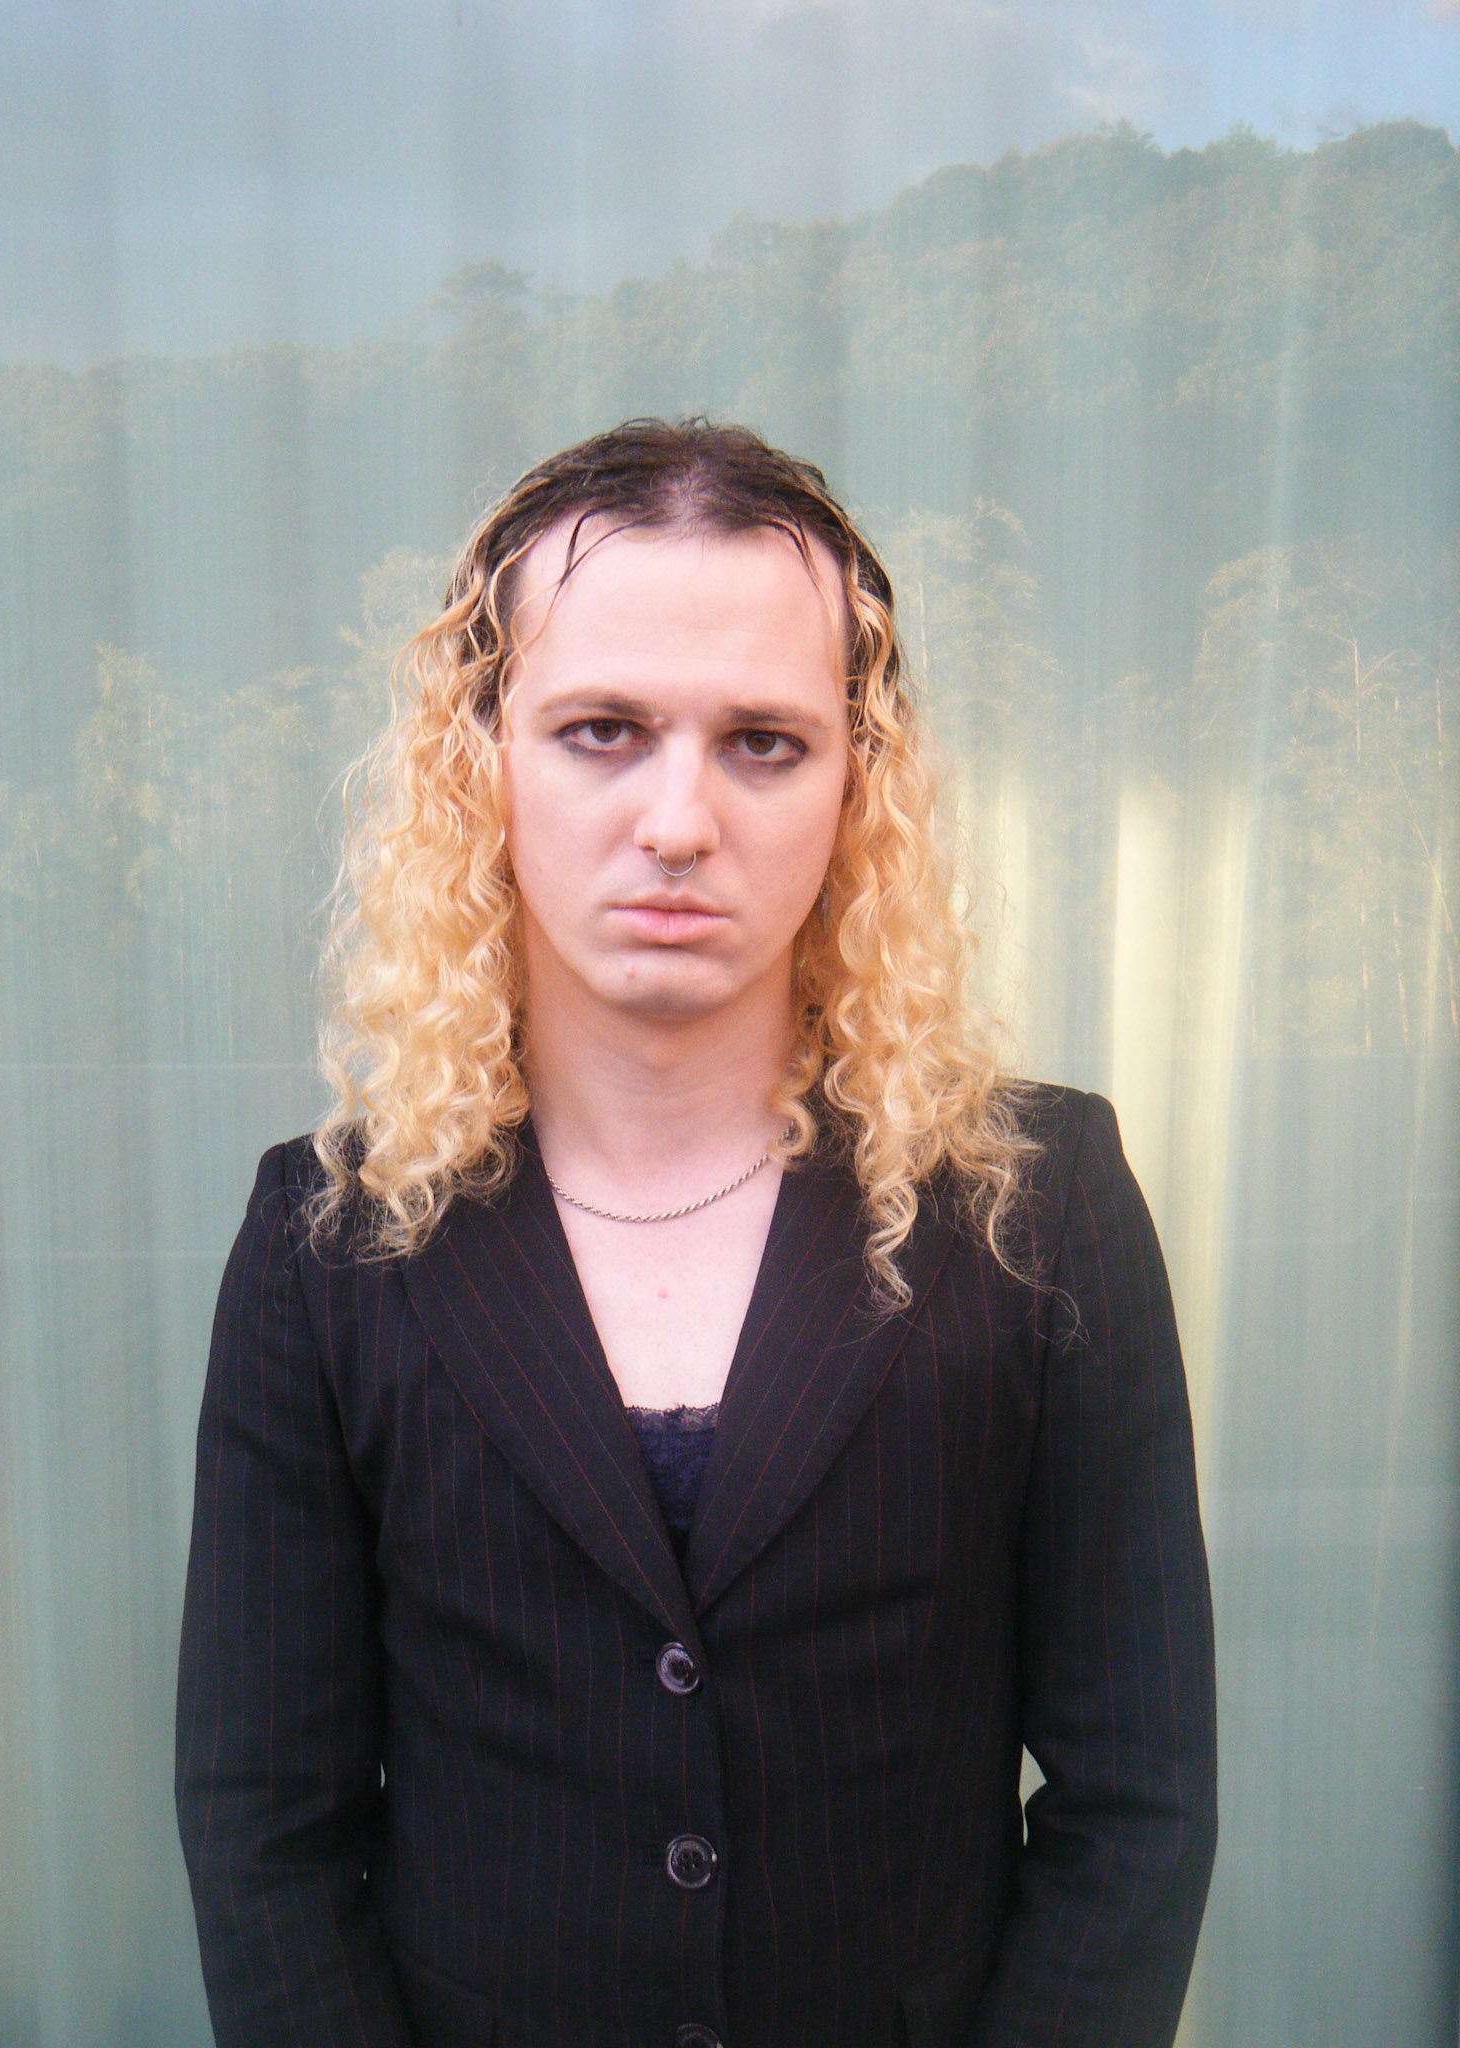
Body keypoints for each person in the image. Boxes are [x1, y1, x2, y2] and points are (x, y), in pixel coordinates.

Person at [175, 418, 1216, 2048]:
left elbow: (1138, 1804)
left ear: (857, 781)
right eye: (601, 730)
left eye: (764, 743)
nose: (678, 819)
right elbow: (266, 1838)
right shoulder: (329, 1244)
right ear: (482, 760)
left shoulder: (1040, 1203)